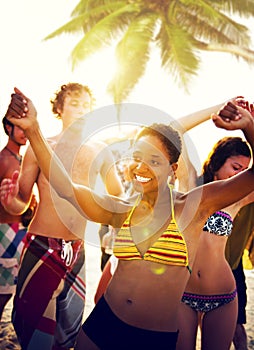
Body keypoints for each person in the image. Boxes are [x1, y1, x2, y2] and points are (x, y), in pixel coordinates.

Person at [3, 90, 254, 350]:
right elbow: (66, 187)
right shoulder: (121, 210)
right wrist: (33, 130)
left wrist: (248, 127)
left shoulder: (197, 206)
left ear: (173, 169)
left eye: (153, 160)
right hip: (102, 327)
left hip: (154, 338)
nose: (141, 167)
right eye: (137, 158)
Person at [0, 84, 123, 350]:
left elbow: (119, 201)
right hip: (42, 246)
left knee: (66, 338)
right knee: (36, 338)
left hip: (76, 251)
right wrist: (12, 202)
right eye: (75, 103)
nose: (82, 110)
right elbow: (22, 201)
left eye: (86, 105)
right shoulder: (40, 147)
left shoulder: (101, 151)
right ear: (59, 108)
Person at [0, 115, 36, 321]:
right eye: (19, 128)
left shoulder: (22, 159)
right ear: (8, 127)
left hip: (19, 232)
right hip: (5, 231)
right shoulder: (4, 159)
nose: (25, 133)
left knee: (12, 291)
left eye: (26, 128)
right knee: (3, 293)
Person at [225, 202, 254, 350]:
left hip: (234, 268)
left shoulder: (248, 197)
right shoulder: (203, 190)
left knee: (237, 324)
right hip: (202, 270)